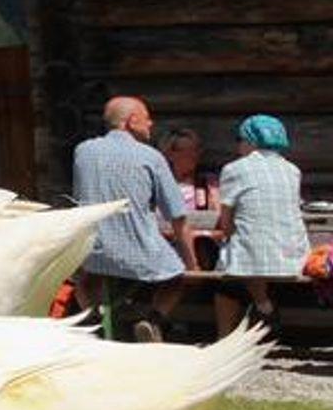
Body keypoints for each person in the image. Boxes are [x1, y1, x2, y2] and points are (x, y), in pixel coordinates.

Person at [70, 95, 195, 342]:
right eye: (147, 118)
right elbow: (178, 217)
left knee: (83, 280)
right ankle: (153, 320)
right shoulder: (151, 157)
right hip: (139, 255)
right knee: (178, 277)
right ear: (132, 121)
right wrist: (192, 263)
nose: (151, 124)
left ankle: (94, 320)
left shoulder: (83, 151)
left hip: (93, 253)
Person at [212, 114, 313, 338]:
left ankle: (228, 335)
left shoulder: (234, 169)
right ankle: (263, 307)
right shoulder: (292, 170)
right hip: (293, 256)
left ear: (251, 141)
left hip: (252, 259)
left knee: (229, 278)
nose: (238, 146)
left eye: (240, 140)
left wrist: (226, 234)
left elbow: (226, 223)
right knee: (250, 256)